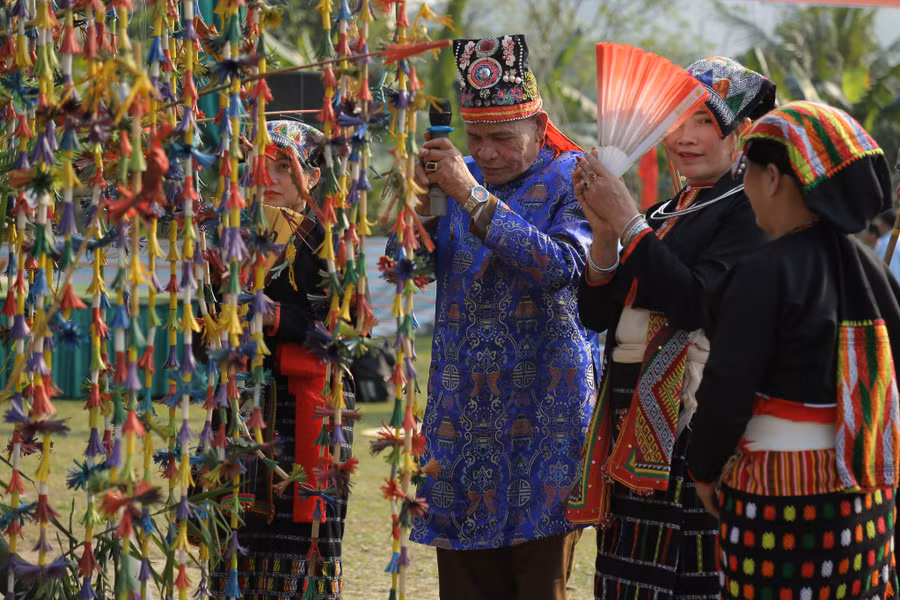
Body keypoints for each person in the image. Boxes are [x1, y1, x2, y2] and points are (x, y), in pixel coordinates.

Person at [566, 57, 775, 599]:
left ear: (740, 132)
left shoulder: (747, 210)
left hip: (693, 412)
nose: (685, 136)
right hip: (630, 409)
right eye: (678, 119)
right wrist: (606, 234)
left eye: (705, 121)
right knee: (628, 567)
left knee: (689, 570)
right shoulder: (664, 212)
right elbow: (596, 315)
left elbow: (694, 302)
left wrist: (628, 221)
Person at [400, 34, 595, 600]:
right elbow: (405, 271)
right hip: (462, 416)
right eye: (476, 138)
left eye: (503, 139)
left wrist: (472, 198)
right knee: (464, 582)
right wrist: (418, 205)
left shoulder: (574, 176)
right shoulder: (457, 177)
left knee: (538, 582)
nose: (486, 153)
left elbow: (559, 265)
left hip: (546, 416)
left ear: (539, 126)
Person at [687, 101, 899, 600]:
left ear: (775, 178)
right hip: (866, 495)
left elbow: (728, 385)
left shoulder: (762, 272)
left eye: (748, 173)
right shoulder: (871, 270)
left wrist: (704, 470)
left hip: (780, 495)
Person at [208, 121, 354, 600]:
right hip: (244, 400)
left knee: (303, 536)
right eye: (260, 165)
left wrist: (273, 315)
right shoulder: (235, 234)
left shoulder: (329, 239)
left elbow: (345, 333)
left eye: (284, 167)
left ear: (312, 177)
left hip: (309, 403)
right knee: (235, 535)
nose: (270, 176)